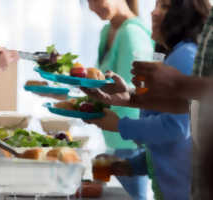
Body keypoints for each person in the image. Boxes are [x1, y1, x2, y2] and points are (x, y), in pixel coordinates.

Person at [83, 0, 210, 199]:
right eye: (157, 5)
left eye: (165, 7)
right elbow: (170, 146)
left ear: (186, 16)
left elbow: (178, 127)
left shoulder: (184, 56)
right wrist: (130, 166)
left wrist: (119, 125)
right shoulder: (174, 54)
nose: (153, 12)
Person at [86, 0, 154, 199]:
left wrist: (77, 101)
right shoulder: (107, 31)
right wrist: (64, 94)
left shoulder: (132, 34)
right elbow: (98, 85)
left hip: (130, 139)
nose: (92, 6)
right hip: (115, 137)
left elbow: (128, 95)